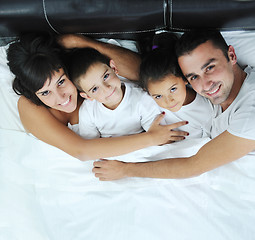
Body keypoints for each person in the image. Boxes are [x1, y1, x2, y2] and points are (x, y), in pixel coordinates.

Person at [92, 30, 255, 180]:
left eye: (210, 68)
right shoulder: (201, 90)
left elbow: (193, 166)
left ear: (231, 55)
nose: (205, 85)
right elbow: (150, 76)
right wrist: (86, 43)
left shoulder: (250, 111)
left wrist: (125, 170)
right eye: (193, 77)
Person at [7, 32, 188, 161]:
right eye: (45, 92)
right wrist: (151, 138)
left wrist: (83, 43)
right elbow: (81, 151)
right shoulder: (29, 106)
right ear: (34, 93)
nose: (61, 98)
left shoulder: (92, 79)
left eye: (61, 82)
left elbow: (146, 74)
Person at [67, 47, 170, 139]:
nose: (107, 88)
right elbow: (92, 147)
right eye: (94, 89)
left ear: (113, 68)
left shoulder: (141, 97)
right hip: (110, 155)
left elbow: (157, 136)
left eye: (106, 76)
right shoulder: (88, 111)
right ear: (88, 96)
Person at [139, 35, 215, 139]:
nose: (169, 101)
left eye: (173, 89)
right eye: (158, 96)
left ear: (185, 79)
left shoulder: (207, 110)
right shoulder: (149, 105)